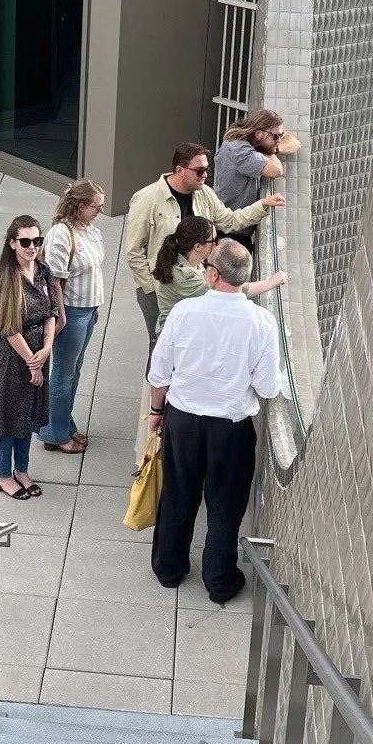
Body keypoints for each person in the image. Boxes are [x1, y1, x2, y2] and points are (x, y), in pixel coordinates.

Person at [147, 238, 279, 605]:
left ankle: (169, 568)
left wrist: (157, 414)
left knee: (177, 493)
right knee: (225, 503)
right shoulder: (261, 321)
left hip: (183, 421)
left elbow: (159, 374)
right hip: (231, 429)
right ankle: (219, 579)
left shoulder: (184, 313)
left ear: (214, 274)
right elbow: (267, 386)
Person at [125, 142, 282, 346]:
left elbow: (230, 221)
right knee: (161, 342)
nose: (205, 175)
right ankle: (155, 378)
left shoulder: (205, 194)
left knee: (187, 341)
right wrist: (152, 287)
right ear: (180, 170)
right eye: (199, 171)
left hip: (193, 280)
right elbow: (134, 251)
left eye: (207, 170)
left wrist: (262, 206)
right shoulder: (147, 198)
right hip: (160, 286)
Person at [0, 215, 58, 499]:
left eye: (37, 241)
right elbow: (9, 327)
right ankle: (3, 474)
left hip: (39, 348)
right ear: (13, 243)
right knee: (9, 414)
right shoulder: (6, 279)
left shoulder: (43, 271)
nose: (32, 247)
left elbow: (52, 312)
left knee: (30, 412)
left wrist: (46, 349)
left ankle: (22, 470)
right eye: (26, 242)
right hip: (13, 353)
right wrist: (33, 361)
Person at [37, 179, 106, 455]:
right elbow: (54, 280)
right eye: (96, 207)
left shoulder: (89, 230)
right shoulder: (61, 234)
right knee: (63, 374)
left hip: (89, 310)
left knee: (73, 372)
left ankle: (65, 424)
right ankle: (54, 433)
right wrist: (60, 317)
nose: (100, 212)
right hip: (73, 312)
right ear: (80, 206)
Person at [153, 216, 286, 327]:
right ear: (198, 246)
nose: (217, 244)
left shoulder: (188, 258)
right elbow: (235, 289)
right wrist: (272, 282)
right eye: (214, 240)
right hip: (175, 336)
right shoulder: (184, 277)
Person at [213, 110, 300, 245]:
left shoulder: (251, 141)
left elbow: (295, 142)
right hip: (231, 230)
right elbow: (276, 170)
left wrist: (274, 147)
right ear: (259, 133)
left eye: (280, 136)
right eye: (276, 137)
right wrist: (270, 151)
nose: (279, 140)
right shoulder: (240, 151)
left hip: (238, 226)